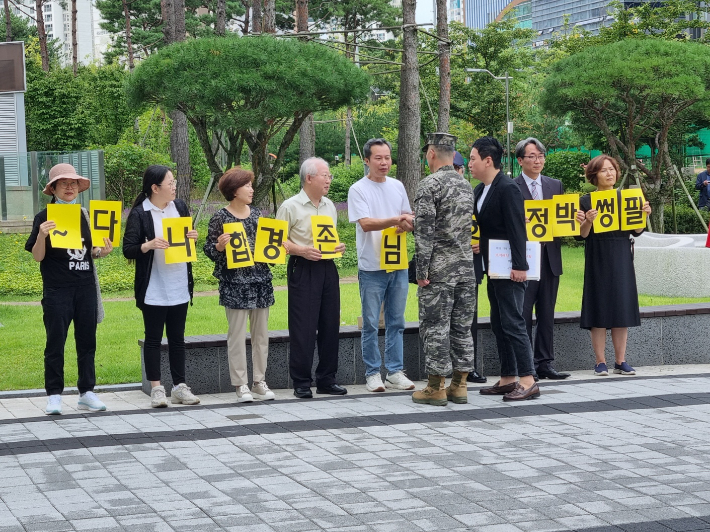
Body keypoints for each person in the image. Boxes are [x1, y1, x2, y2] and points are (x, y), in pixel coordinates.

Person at [25, 163, 113, 415]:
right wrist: (41, 235)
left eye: (74, 183)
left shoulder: (85, 215)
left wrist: (101, 252)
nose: (70, 187)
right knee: (55, 342)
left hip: (84, 287)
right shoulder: (44, 217)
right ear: (53, 189)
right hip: (57, 289)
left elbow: (91, 251)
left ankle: (87, 392)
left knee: (87, 341)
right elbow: (37, 257)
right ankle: (54, 395)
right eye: (64, 183)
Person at [123, 165, 201, 408]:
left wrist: (192, 237)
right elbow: (128, 249)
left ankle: (180, 386)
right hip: (154, 287)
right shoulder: (140, 213)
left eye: (174, 181)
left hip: (178, 283)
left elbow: (186, 240)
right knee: (153, 338)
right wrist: (148, 245)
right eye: (170, 182)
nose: (174, 185)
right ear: (155, 188)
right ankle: (157, 388)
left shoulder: (179, 208)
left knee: (177, 338)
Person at [470, 137, 540, 402]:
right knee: (499, 323)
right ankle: (509, 377)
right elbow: (485, 228)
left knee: (513, 322)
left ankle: (528, 379)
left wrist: (521, 266)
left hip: (510, 270)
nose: (470, 164)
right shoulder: (480, 190)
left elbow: (516, 229)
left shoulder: (507, 188)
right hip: (493, 268)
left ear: (489, 160)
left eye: (473, 159)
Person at [412, 133, 476, 406]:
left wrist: (421, 272)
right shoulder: (466, 185)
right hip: (466, 271)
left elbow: (424, 233)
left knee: (435, 328)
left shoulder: (430, 185)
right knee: (462, 328)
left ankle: (435, 388)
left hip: (439, 272)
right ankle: (460, 385)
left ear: (431, 154)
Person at [276, 157, 347, 399]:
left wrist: (337, 246)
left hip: (327, 268)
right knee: (303, 326)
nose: (329, 180)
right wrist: (301, 249)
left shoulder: (329, 206)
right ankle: (301, 381)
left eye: (329, 176)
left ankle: (327, 378)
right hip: (303, 266)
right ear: (309, 178)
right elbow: (277, 240)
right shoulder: (290, 206)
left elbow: (328, 236)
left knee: (330, 323)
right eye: (325, 175)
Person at [348, 139, 415, 392]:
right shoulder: (358, 189)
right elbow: (365, 223)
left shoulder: (398, 186)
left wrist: (405, 223)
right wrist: (394, 219)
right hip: (372, 266)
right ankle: (372, 372)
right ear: (366, 160)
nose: (384, 162)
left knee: (397, 320)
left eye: (387, 157)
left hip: (398, 263)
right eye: (378, 158)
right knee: (371, 321)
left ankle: (395, 371)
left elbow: (408, 219)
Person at [204, 168, 276, 402]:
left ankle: (259, 381)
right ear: (234, 190)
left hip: (260, 281)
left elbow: (267, 246)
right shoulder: (220, 217)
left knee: (261, 335)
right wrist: (218, 248)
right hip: (234, 283)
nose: (252, 189)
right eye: (247, 186)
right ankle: (240, 384)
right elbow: (208, 248)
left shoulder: (257, 214)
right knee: (236, 335)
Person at [576, 155, 651, 376]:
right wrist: (588, 220)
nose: (609, 174)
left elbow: (637, 231)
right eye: (603, 170)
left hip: (621, 253)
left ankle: (621, 360)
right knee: (598, 305)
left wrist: (644, 215)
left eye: (612, 169)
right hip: (597, 253)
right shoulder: (586, 200)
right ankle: (600, 361)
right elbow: (581, 235)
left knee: (621, 305)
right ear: (594, 175)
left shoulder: (627, 197)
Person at [513, 138, 570, 380]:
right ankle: (525, 366)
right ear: (520, 160)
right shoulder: (511, 187)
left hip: (549, 258)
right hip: (524, 260)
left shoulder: (555, 185)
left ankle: (545, 362)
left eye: (541, 156)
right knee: (523, 314)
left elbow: (562, 222)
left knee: (547, 313)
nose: (538, 161)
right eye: (532, 156)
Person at [453, 150, 488, 385]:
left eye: (459, 168)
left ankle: (469, 367)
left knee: (469, 318)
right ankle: (445, 367)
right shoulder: (431, 191)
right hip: (444, 266)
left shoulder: (473, 192)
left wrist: (480, 243)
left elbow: (484, 224)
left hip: (470, 264)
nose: (456, 173)